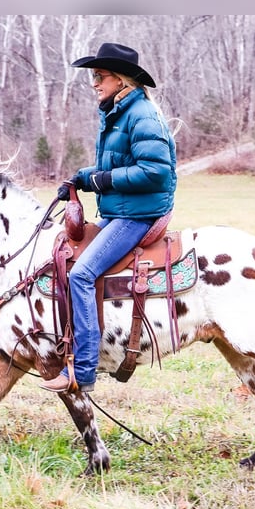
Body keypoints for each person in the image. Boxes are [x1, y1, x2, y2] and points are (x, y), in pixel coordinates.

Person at [40, 42, 177, 393]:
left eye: (99, 76)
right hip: (119, 210)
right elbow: (112, 166)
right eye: (94, 77)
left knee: (83, 275)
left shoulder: (141, 114)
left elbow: (156, 172)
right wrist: (82, 178)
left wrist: (104, 180)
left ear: (121, 80)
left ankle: (83, 371)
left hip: (137, 215)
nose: (94, 84)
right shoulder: (118, 111)